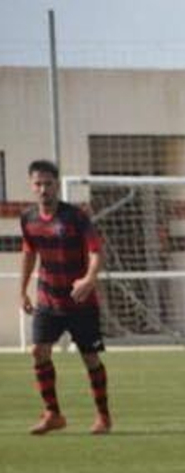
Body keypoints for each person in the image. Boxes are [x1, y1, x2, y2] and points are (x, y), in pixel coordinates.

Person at [18, 159, 112, 435]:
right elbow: (28, 253)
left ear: (57, 185)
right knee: (38, 351)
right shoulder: (28, 219)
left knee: (90, 357)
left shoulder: (76, 217)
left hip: (81, 301)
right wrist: (22, 290)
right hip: (48, 299)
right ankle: (53, 414)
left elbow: (96, 252)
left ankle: (103, 417)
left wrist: (89, 279)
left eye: (48, 183)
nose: (43, 189)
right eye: (38, 184)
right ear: (31, 185)